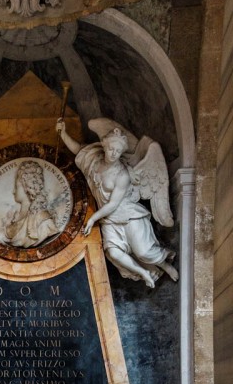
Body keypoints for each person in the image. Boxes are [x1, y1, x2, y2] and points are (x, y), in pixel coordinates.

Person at [56, 119, 178, 288]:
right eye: (111, 149)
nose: (113, 153)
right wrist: (63, 133)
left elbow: (112, 205)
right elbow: (78, 150)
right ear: (104, 146)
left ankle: (164, 264)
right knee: (113, 253)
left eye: (118, 151)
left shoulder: (123, 175)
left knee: (143, 252)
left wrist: (92, 219)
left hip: (127, 215)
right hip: (109, 219)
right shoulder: (94, 161)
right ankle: (144, 273)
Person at [4, 160, 59, 248]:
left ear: (28, 188)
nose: (13, 191)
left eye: (16, 186)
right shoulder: (14, 219)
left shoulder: (44, 222)